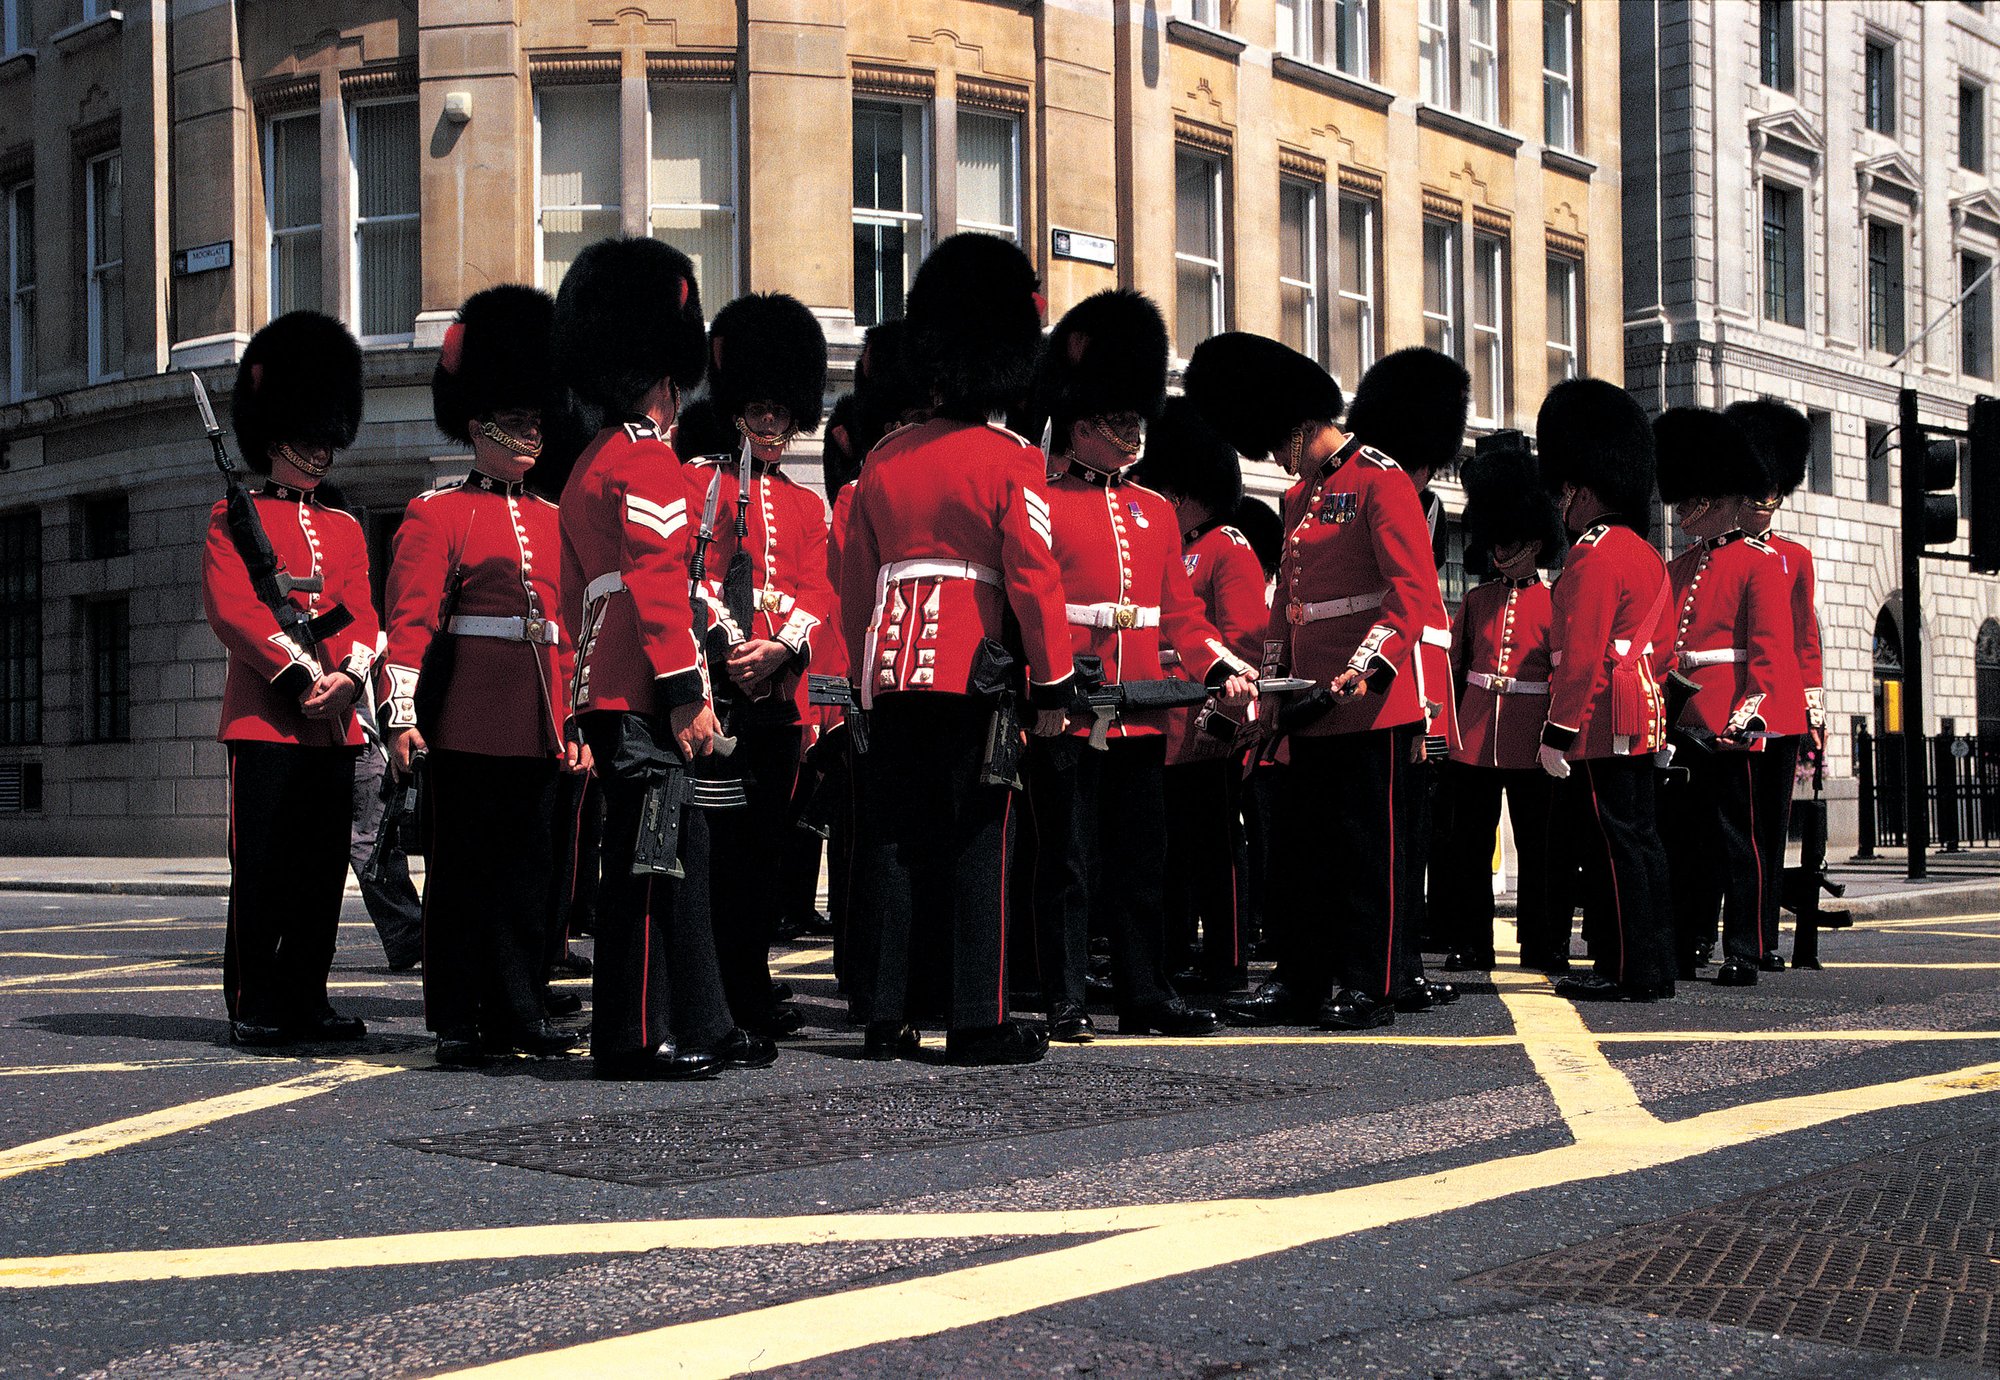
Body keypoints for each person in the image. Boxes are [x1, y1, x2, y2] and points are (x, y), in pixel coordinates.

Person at [836, 232, 1074, 1065]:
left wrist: (864, 681)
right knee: (982, 840)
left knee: (897, 843)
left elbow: (854, 587)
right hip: (977, 676)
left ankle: (885, 1013)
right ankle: (978, 1016)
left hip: (894, 674)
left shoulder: (880, 461)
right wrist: (1054, 686)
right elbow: (1034, 580)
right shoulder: (1009, 460)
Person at [1185, 334, 1456, 1032]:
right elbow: (1288, 604)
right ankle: (1302, 978)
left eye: (1278, 445)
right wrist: (1273, 691)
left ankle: (1373, 981)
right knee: (1304, 858)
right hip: (1309, 702)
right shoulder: (1304, 494)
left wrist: (1364, 668)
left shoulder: (1380, 479)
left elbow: (1412, 597)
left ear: (1302, 426)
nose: (1274, 460)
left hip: (1369, 704)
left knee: (1371, 854)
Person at [1021, 291, 1255, 1041]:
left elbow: (1180, 614)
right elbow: (1037, 604)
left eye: (1135, 422)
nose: (1132, 436)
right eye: (1118, 424)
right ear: (1081, 424)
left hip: (1144, 711)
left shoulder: (1154, 510)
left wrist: (1217, 670)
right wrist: (1052, 687)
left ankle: (1143, 990)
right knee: (1068, 864)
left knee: (1141, 866)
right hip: (1073, 705)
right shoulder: (1046, 501)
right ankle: (1063, 995)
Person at [553, 236, 756, 1081]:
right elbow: (657, 582)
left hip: (611, 682)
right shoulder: (645, 458)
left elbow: (577, 603)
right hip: (645, 687)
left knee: (680, 848)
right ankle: (634, 1035)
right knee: (647, 858)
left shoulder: (589, 463)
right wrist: (684, 691)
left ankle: (701, 1015)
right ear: (665, 381)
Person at [378, 285, 590, 1067]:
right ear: (477, 427)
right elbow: (411, 623)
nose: (533, 433)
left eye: (538, 421)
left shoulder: (554, 515)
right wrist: (401, 714)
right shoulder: (438, 514)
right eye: (518, 421)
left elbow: (570, 633)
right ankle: (461, 1016)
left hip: (538, 720)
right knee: (466, 876)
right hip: (468, 717)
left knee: (534, 874)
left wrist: (573, 721)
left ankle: (521, 1004)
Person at [201, 310, 377, 1047]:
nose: (320, 451)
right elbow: (233, 611)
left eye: (326, 439)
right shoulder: (229, 517)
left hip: (333, 722)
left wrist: (350, 675)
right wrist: (302, 674)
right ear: (275, 441)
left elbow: (362, 611)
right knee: (265, 870)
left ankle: (307, 993)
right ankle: (254, 1000)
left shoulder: (345, 527)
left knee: (318, 874)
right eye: (308, 439)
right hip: (267, 721)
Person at [688, 292, 833, 1037]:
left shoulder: (807, 506)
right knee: (719, 848)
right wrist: (731, 644)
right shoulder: (702, 485)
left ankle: (749, 976)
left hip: (779, 695)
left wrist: (781, 647)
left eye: (783, 412)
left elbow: (817, 591)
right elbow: (693, 579)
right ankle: (721, 985)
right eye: (761, 411)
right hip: (722, 689)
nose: (772, 425)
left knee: (766, 852)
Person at [1533, 378, 1677, 1004]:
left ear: (1585, 489)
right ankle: (1650, 963)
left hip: (1598, 720)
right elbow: (1662, 650)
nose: (1562, 504)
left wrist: (1557, 733)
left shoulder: (1592, 557)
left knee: (1613, 846)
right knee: (1640, 841)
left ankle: (1625, 969)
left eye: (1567, 491)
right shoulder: (1645, 554)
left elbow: (1582, 657)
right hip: (1639, 712)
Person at [1653, 406, 1792, 987]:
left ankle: (1745, 944)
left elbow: (1769, 651)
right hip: (1684, 716)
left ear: (1719, 499)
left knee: (1740, 840)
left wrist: (1748, 715)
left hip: (1729, 716)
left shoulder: (1759, 565)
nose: (1684, 513)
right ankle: (1688, 940)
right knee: (1685, 839)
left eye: (1693, 502)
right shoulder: (1677, 565)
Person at [1133, 395, 1266, 994]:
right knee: (1167, 854)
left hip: (1207, 728)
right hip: (1161, 724)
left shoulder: (1227, 546)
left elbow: (1244, 645)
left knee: (1216, 853)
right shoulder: (1167, 544)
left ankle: (1228, 960)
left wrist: (1221, 723)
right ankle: (1172, 952)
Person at [1343, 348, 1472, 965]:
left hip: (1421, 687)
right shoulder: (1376, 491)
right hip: (1392, 683)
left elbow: (1420, 609)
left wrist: (1431, 713)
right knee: (1387, 835)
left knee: (1415, 831)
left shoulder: (1427, 505)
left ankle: (1406, 960)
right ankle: (1395, 959)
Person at [1433, 441, 1573, 973]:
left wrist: (1555, 736)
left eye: (1509, 541)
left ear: (1534, 543)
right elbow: (1455, 667)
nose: (1498, 550)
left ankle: (1545, 942)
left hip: (1530, 737)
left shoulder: (1555, 600)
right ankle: (1472, 941)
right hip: (1475, 738)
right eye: (1496, 540)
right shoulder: (1476, 601)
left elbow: (1562, 672)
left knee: (1542, 851)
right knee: (1468, 848)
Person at [1725, 397, 1822, 968]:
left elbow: (1805, 640)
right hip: (1730, 706)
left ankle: (1760, 940)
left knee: (1766, 831)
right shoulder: (1722, 557)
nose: (1764, 505)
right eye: (1755, 494)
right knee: (1735, 832)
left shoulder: (1795, 557)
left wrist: (1814, 709)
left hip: (1779, 709)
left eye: (1771, 494)